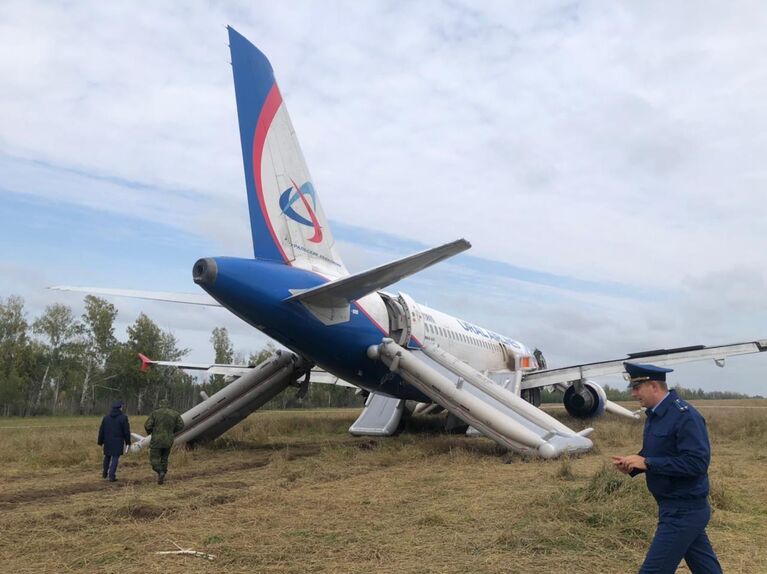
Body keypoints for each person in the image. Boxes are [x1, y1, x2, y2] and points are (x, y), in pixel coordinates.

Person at [612, 362, 722, 574]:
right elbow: (655, 453)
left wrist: (648, 463)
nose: (634, 394)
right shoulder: (655, 415)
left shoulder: (685, 416)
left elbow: (697, 463)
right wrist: (633, 464)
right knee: (706, 569)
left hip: (684, 510)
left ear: (654, 386)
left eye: (636, 388)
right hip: (672, 506)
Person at [144, 399, 184, 484]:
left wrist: (150, 432)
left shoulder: (155, 413)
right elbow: (181, 425)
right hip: (168, 440)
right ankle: (161, 477)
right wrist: (172, 431)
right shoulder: (175, 414)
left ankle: (160, 472)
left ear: (160, 404)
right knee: (164, 459)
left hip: (156, 440)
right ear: (168, 405)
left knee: (154, 459)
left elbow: (147, 426)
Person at [97, 400, 131, 482]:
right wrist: (128, 442)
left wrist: (100, 441)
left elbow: (101, 430)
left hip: (107, 441)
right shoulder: (123, 418)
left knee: (107, 456)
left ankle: (104, 473)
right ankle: (111, 476)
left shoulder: (106, 418)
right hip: (118, 441)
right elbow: (126, 431)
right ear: (120, 408)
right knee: (115, 458)